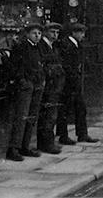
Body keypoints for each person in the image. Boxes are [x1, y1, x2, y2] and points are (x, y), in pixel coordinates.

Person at [5, 24, 45, 161]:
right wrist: (22, 80)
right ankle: (13, 148)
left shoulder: (38, 47)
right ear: (27, 34)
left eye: (39, 33)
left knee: (32, 117)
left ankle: (25, 146)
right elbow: (15, 66)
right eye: (34, 33)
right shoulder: (21, 47)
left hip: (37, 85)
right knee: (22, 116)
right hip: (26, 85)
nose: (37, 36)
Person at [56, 23, 99, 145]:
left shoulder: (77, 45)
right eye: (81, 32)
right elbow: (66, 65)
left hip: (75, 82)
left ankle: (82, 134)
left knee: (80, 108)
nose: (82, 35)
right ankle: (64, 136)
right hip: (68, 83)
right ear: (73, 33)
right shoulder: (66, 45)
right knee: (65, 109)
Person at [36, 22, 65, 154]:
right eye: (53, 32)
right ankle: (46, 144)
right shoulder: (42, 46)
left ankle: (48, 142)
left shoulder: (53, 46)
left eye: (57, 32)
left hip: (54, 85)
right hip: (48, 85)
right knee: (48, 115)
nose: (55, 35)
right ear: (46, 32)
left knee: (51, 115)